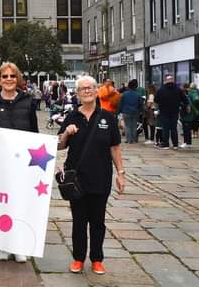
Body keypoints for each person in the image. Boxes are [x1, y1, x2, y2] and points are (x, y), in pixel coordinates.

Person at [58, 75, 125, 275]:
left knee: (98, 221)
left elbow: (115, 147)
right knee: (79, 221)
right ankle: (78, 258)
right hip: (77, 179)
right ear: (77, 94)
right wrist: (66, 134)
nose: (87, 91)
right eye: (83, 89)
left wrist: (121, 173)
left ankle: (97, 259)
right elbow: (60, 146)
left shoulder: (108, 117)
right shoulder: (71, 116)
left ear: (97, 91)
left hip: (100, 176)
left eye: (91, 88)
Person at [0, 63, 37, 263]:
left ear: (18, 78)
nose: (9, 79)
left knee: (21, 202)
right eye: (5, 76)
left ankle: (19, 245)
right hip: (0, 161)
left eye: (13, 75)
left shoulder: (28, 101)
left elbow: (35, 132)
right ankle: (2, 244)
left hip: (22, 160)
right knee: (2, 203)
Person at [154, 75, 186, 150]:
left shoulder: (161, 90)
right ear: (173, 81)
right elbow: (184, 99)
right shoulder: (178, 89)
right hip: (174, 111)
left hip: (164, 112)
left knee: (165, 129)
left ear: (166, 81)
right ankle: (175, 144)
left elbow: (156, 100)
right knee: (173, 128)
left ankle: (166, 144)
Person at [117, 80, 142, 144]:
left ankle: (128, 140)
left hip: (126, 112)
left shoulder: (124, 94)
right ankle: (133, 140)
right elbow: (140, 104)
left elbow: (120, 103)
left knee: (127, 126)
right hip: (135, 112)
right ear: (135, 86)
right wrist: (140, 111)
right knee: (134, 126)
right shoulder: (138, 95)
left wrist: (119, 111)